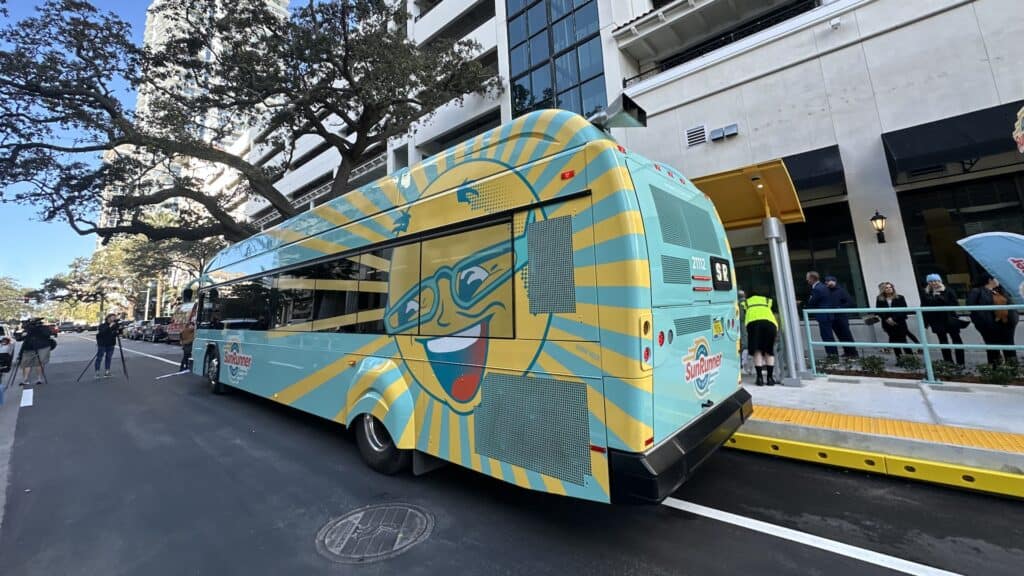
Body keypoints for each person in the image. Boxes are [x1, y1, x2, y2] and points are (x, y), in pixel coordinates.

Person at [967, 274, 1019, 366]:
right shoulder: (977, 291)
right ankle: (996, 370)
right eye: (996, 279)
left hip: (1006, 324)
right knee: (993, 348)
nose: (998, 281)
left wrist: (1014, 318)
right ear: (990, 280)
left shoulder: (1000, 290)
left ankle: (1013, 369)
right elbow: (971, 307)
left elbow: (1010, 304)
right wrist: (981, 322)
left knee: (1009, 347)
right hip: (989, 326)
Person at [921, 273, 965, 366]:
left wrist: (939, 296)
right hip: (936, 321)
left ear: (940, 281)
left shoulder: (948, 290)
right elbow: (924, 307)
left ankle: (961, 363)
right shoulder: (926, 292)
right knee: (943, 342)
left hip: (950, 319)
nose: (934, 283)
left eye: (936, 281)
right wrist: (925, 322)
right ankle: (948, 362)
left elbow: (954, 304)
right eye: (931, 281)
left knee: (956, 341)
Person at [743, 288, 778, 386]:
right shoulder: (767, 301)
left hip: (754, 325)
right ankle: (770, 378)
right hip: (770, 324)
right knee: (769, 351)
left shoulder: (746, 302)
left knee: (757, 351)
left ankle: (759, 378)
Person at [875, 282, 920, 358]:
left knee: (903, 340)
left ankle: (910, 358)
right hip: (887, 323)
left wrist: (893, 318)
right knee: (894, 341)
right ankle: (899, 359)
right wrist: (887, 319)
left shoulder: (900, 297)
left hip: (899, 322)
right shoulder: (880, 299)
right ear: (883, 289)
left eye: (890, 287)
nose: (889, 289)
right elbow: (879, 311)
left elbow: (903, 310)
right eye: (886, 288)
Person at [805, 271, 839, 357]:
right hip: (827, 315)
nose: (807, 280)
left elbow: (812, 302)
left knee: (826, 336)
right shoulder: (823, 287)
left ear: (812, 279)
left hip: (824, 315)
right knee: (828, 336)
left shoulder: (817, 289)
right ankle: (833, 354)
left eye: (808, 278)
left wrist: (804, 305)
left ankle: (832, 355)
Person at [825, 275, 858, 357]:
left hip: (841, 316)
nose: (829, 282)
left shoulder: (841, 291)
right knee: (839, 335)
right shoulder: (826, 291)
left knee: (846, 334)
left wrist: (840, 307)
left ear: (835, 281)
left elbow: (850, 302)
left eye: (831, 281)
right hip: (832, 317)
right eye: (827, 281)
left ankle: (853, 352)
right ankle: (847, 351)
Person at [17, 319, 54, 386]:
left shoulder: (42, 328)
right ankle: (26, 379)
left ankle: (38, 379)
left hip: (41, 346)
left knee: (39, 363)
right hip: (30, 347)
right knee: (27, 364)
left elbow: (49, 334)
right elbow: (19, 338)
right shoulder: (28, 329)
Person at [94, 313, 120, 378]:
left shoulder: (115, 325)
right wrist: (110, 327)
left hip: (111, 344)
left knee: (108, 358)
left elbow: (116, 334)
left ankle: (107, 371)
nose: (114, 319)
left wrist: (118, 330)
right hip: (102, 344)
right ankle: (97, 371)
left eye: (115, 317)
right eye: (112, 317)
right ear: (108, 318)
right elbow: (103, 333)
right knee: (99, 358)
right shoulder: (102, 325)